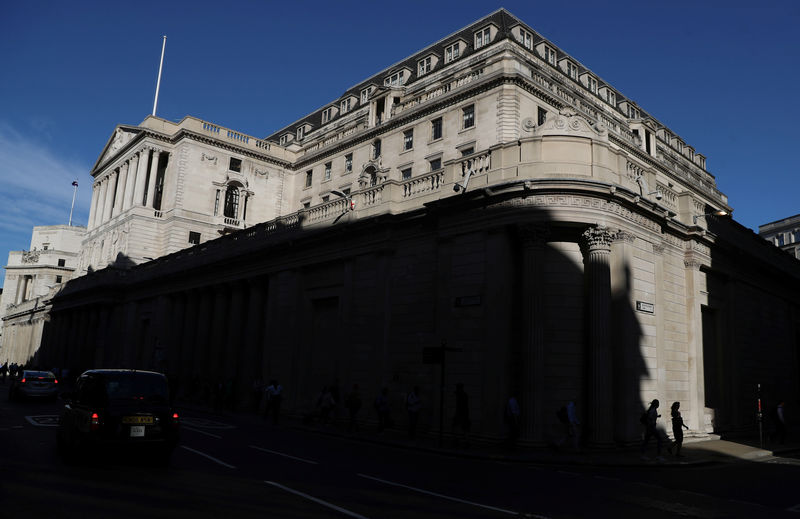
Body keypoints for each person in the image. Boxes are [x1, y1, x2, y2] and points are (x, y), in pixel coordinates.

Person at [452, 383, 470, 448]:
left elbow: (460, 406)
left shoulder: (460, 395)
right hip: (464, 413)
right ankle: (465, 441)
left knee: (456, 426)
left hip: (460, 413)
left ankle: (457, 440)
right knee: (464, 428)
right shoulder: (464, 395)